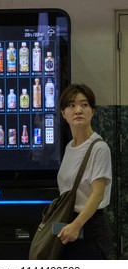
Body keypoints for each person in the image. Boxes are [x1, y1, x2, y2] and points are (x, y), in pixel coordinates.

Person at [57, 83, 112, 259]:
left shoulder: (99, 147)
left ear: (93, 111)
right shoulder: (69, 147)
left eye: (84, 104)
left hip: (89, 225)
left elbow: (97, 194)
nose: (78, 110)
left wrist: (76, 225)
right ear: (63, 113)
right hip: (69, 222)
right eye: (71, 105)